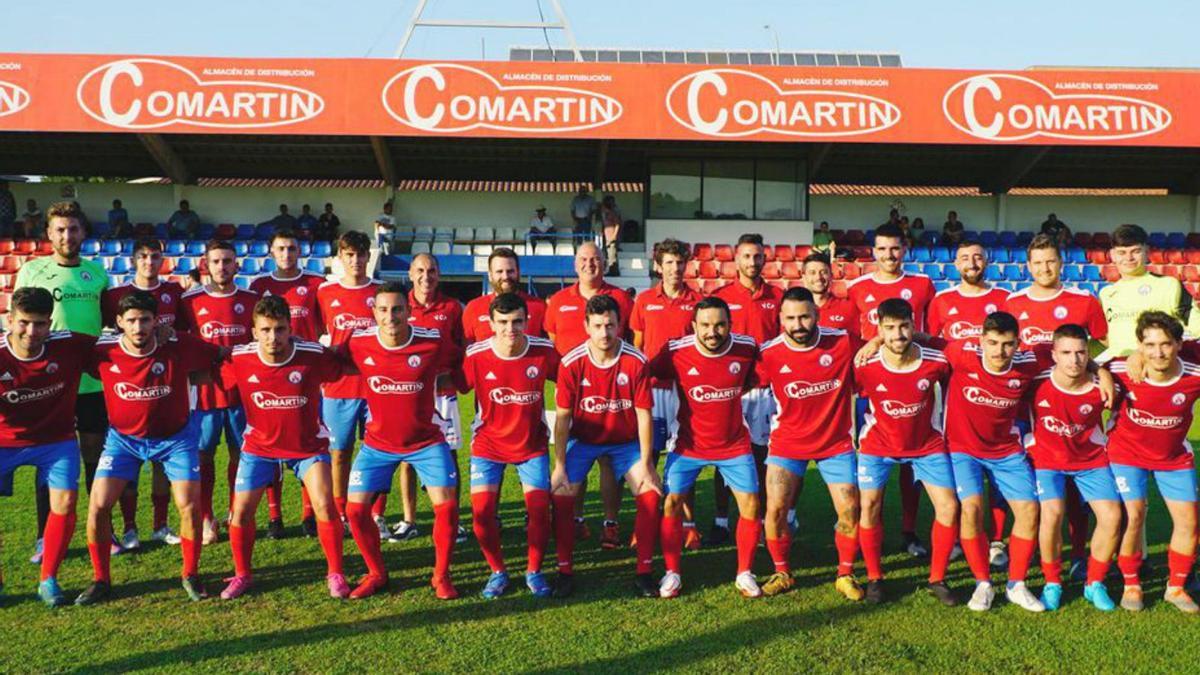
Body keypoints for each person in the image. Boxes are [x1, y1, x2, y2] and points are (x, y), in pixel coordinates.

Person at [75, 291, 220, 605]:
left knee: (189, 505)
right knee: (98, 505)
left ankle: (191, 574)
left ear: (156, 321)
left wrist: (197, 378)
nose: (138, 326)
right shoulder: (103, 350)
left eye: (145, 320)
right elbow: (67, 354)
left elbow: (219, 357)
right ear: (118, 323)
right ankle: (101, 579)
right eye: (131, 320)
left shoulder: (178, 344)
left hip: (175, 439)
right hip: (123, 440)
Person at [216, 296, 348, 600]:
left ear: (290, 329)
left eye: (279, 329)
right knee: (241, 511)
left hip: (307, 446)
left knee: (325, 506)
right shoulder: (240, 358)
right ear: (253, 331)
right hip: (259, 447)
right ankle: (242, 575)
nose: (272, 337)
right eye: (265, 330)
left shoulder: (312, 354)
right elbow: (215, 374)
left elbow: (340, 366)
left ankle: (336, 573)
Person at [342, 282, 461, 599]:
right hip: (377, 443)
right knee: (354, 511)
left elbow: (461, 364)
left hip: (425, 441)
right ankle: (376, 573)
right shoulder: (358, 343)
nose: (390, 316)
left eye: (397, 309)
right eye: (383, 309)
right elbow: (329, 364)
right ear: (374, 312)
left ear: (409, 311)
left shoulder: (432, 342)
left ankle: (441, 576)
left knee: (447, 507)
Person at [1006, 233, 1109, 575]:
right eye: (1037, 262)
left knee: (1076, 485)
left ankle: (1078, 554)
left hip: (1073, 404)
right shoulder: (1013, 302)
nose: (1044, 268)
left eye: (1050, 260)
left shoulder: (1083, 301)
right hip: (1022, 407)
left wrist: (1101, 371)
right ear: (1027, 266)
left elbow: (1103, 346)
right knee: (1024, 482)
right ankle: (1021, 547)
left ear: (1061, 262)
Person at [15, 200, 109, 564]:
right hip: (50, 383)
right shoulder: (32, 271)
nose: (66, 235)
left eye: (73, 228)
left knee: (94, 457)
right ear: (48, 234)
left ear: (83, 232)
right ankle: (44, 535)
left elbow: (107, 325)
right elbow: (20, 323)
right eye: (59, 229)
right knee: (49, 459)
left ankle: (102, 528)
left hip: (90, 381)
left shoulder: (97, 273)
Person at [755, 288, 863, 601]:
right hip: (787, 443)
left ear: (816, 314)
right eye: (790, 318)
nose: (798, 324)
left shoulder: (842, 342)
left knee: (850, 509)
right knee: (774, 510)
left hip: (835, 444)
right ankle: (782, 571)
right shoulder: (768, 353)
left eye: (804, 316)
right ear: (780, 320)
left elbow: (875, 347)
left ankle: (845, 573)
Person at [551, 295, 661, 598]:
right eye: (598, 325)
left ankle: (644, 572)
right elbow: (562, 419)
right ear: (586, 325)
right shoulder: (571, 363)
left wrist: (648, 464)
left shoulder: (636, 361)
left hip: (626, 443)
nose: (604, 333)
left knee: (650, 494)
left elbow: (643, 415)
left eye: (610, 325)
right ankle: (564, 571)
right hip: (583, 441)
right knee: (560, 493)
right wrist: (559, 465)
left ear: (620, 325)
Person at [649, 297, 760, 598]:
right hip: (688, 444)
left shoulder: (747, 348)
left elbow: (753, 379)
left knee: (750, 504)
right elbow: (644, 372)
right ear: (694, 326)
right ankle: (672, 572)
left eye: (720, 324)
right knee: (671, 503)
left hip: (734, 444)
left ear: (730, 325)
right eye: (706, 325)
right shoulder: (675, 351)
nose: (713, 331)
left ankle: (745, 572)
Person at [853, 299, 958, 606]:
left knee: (949, 508)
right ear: (879, 330)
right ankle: (875, 577)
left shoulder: (936, 360)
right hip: (878, 444)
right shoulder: (866, 364)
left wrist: (927, 337)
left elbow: (956, 350)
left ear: (914, 325)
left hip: (926, 444)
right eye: (889, 328)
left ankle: (937, 578)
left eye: (904, 326)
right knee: (869, 505)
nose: (898, 335)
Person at [940, 312, 1048, 612]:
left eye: (1008, 344)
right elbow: (924, 341)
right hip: (963, 449)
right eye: (993, 343)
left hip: (1006, 450)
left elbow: (1070, 353)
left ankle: (1017, 584)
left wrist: (1099, 371)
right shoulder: (961, 354)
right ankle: (982, 583)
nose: (1000, 351)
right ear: (981, 341)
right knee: (971, 508)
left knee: (1029, 509)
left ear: (1019, 343)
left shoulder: (1029, 363)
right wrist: (878, 342)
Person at [460, 293, 559, 599]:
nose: (510, 328)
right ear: (490, 323)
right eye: (502, 322)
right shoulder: (476, 354)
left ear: (527, 322)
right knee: (482, 514)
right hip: (488, 446)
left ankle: (534, 571)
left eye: (517, 321)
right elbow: (454, 385)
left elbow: (571, 379)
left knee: (540, 511)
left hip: (531, 446)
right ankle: (498, 572)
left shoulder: (543, 351)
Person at [846, 223, 935, 558]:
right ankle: (872, 530)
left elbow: (930, 332)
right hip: (872, 386)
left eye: (895, 248)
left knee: (911, 460)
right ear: (873, 250)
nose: (888, 255)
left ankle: (909, 531)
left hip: (913, 381)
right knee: (873, 458)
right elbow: (855, 337)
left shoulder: (923, 285)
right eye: (882, 249)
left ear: (905, 248)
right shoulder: (857, 288)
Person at [0, 287, 93, 606]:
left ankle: (48, 579)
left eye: (40, 323)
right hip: (3, 441)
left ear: (50, 323)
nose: (31, 331)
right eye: (24, 322)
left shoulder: (69, 344)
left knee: (65, 502)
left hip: (57, 439)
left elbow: (119, 345)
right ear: (9, 320)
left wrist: (164, 335)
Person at [1105, 312, 1200, 613]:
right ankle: (1132, 583)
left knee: (1189, 521)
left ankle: (1176, 587)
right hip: (1126, 453)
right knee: (1133, 515)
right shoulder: (1120, 369)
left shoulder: (1194, 373)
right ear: (1139, 345)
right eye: (1149, 345)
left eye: (1165, 344)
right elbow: (1085, 365)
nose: (1158, 352)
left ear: (1178, 345)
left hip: (1172, 456)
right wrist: (1105, 370)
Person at [545, 242, 636, 546]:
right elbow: (553, 340)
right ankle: (578, 519)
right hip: (572, 390)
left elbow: (632, 338)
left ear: (604, 263)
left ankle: (610, 522)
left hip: (613, 388)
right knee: (574, 458)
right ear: (575, 264)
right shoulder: (558, 301)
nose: (589, 264)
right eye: (584, 259)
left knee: (610, 460)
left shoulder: (620, 297)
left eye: (595, 259)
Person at [100, 238, 187, 551]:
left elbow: (186, 332)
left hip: (165, 386)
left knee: (163, 464)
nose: (150, 261)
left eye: (155, 256)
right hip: (129, 385)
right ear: (134, 259)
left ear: (163, 259)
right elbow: (106, 334)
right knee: (131, 464)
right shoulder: (114, 295)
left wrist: (171, 333)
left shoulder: (174, 292)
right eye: (143, 256)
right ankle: (129, 528)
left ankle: (160, 525)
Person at [1028, 324, 1121, 612]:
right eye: (1066, 352)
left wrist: (1103, 373)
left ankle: (1094, 583)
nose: (1074, 360)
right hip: (1047, 460)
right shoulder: (1035, 381)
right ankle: (1052, 582)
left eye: (1081, 352)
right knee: (1052, 514)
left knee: (1112, 516)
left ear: (1088, 354)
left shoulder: (1102, 387)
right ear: (1053, 354)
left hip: (1090, 460)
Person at [178, 241, 259, 544]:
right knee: (204, 454)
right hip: (205, 392)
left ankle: (233, 511)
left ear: (237, 265)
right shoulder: (189, 301)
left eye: (227, 261)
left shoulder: (251, 299)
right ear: (206, 266)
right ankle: (207, 517)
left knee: (241, 453)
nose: (222, 267)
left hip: (243, 390)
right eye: (216, 261)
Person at [249, 229, 327, 538]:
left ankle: (309, 516)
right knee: (270, 449)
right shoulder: (259, 286)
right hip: (268, 378)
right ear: (271, 252)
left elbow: (324, 324)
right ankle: (275, 517)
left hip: (304, 377)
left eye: (292, 248)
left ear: (300, 251)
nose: (286, 253)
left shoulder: (315, 284)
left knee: (305, 446)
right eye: (280, 248)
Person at [630, 239, 703, 549]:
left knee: (684, 455)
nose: (675, 268)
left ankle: (688, 524)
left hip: (684, 392)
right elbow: (637, 345)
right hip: (652, 390)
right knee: (647, 456)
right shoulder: (644, 300)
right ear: (658, 266)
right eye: (669, 263)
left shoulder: (698, 301)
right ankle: (643, 524)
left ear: (687, 265)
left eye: (679, 262)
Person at [710, 233, 782, 544]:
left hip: (766, 390)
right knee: (726, 453)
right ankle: (721, 520)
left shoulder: (778, 297)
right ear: (736, 259)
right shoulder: (721, 297)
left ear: (765, 259)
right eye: (746, 256)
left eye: (757, 256)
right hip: (731, 389)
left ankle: (765, 519)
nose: (752, 262)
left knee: (764, 456)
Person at [399, 254, 468, 544]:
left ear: (439, 274)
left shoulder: (452, 308)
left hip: (443, 395)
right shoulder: (400, 305)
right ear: (411, 274)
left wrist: (452, 378)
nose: (426, 276)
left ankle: (455, 520)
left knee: (449, 455)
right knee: (407, 457)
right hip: (409, 395)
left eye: (431, 271)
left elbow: (464, 349)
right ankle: (409, 519)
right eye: (420, 270)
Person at [316, 232, 379, 539]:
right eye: (349, 255)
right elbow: (317, 333)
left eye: (361, 254)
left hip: (377, 386)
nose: (356, 261)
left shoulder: (381, 292)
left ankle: (375, 513)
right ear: (340, 258)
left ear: (369, 256)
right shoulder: (325, 293)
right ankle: (341, 510)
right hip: (338, 387)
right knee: (339, 452)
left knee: (378, 451)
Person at [1101, 223, 1200, 356]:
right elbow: (1104, 336)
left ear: (1146, 252)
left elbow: (1196, 328)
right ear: (1113, 255)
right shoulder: (1106, 294)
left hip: (1157, 368)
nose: (1129, 258)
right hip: (1119, 370)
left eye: (1136, 251)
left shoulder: (1169, 285)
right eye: (1122, 253)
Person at [927, 241, 1011, 342]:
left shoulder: (1006, 297)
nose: (972, 264)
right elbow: (931, 339)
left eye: (978, 258)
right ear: (957, 264)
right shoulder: (941, 299)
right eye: (965, 259)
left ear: (986, 262)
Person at [461, 247, 547, 343]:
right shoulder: (473, 308)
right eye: (499, 271)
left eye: (510, 271)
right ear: (490, 275)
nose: (505, 277)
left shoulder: (539, 307)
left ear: (518, 273)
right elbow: (467, 350)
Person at [800, 252, 859, 335]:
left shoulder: (848, 307)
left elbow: (856, 342)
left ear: (831, 276)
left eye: (823, 272)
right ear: (804, 277)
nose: (818, 277)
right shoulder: (794, 310)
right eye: (812, 273)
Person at [599, 195, 624, 274]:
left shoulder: (612, 214)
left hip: (612, 237)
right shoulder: (605, 215)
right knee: (608, 255)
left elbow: (617, 224)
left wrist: (614, 236)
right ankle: (610, 270)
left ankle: (614, 271)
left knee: (612, 255)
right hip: (606, 236)